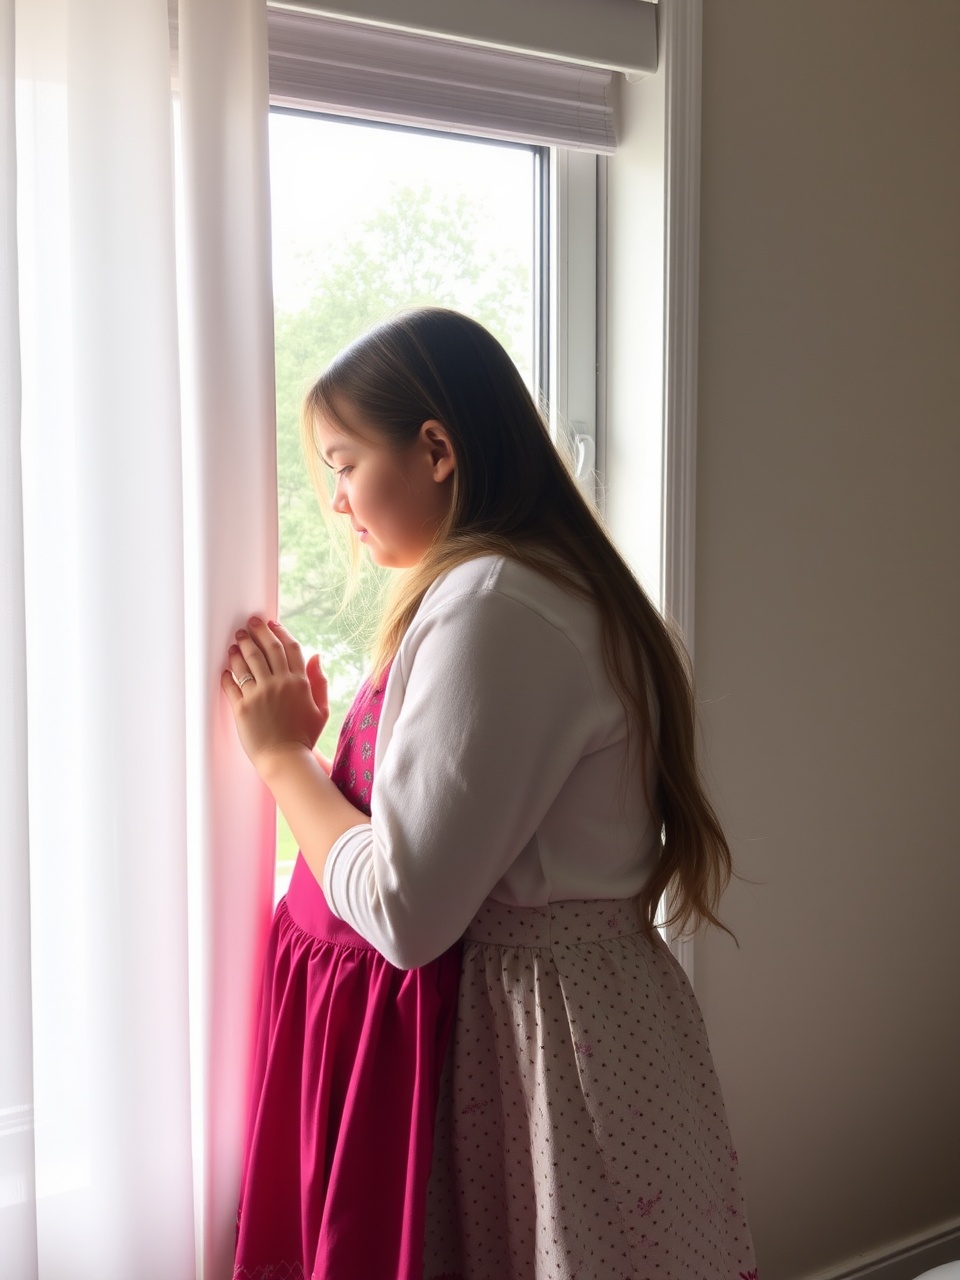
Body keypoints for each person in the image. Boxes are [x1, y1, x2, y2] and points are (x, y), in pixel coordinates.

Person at [223, 307, 758, 1280]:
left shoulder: (495, 606)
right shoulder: (539, 586)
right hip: (582, 1023)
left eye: (344, 464)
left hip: (543, 1048)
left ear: (435, 448)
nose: (337, 502)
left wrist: (278, 761)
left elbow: (404, 908)